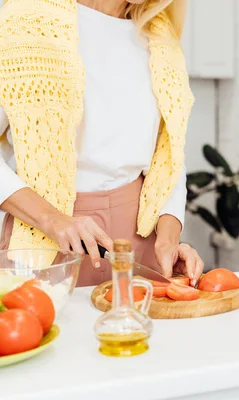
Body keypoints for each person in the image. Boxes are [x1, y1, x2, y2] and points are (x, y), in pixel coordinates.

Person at [0, 0, 205, 287]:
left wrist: (169, 237)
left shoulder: (161, 38)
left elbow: (169, 154)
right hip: (45, 241)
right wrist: (53, 220)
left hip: (139, 242)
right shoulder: (23, 21)